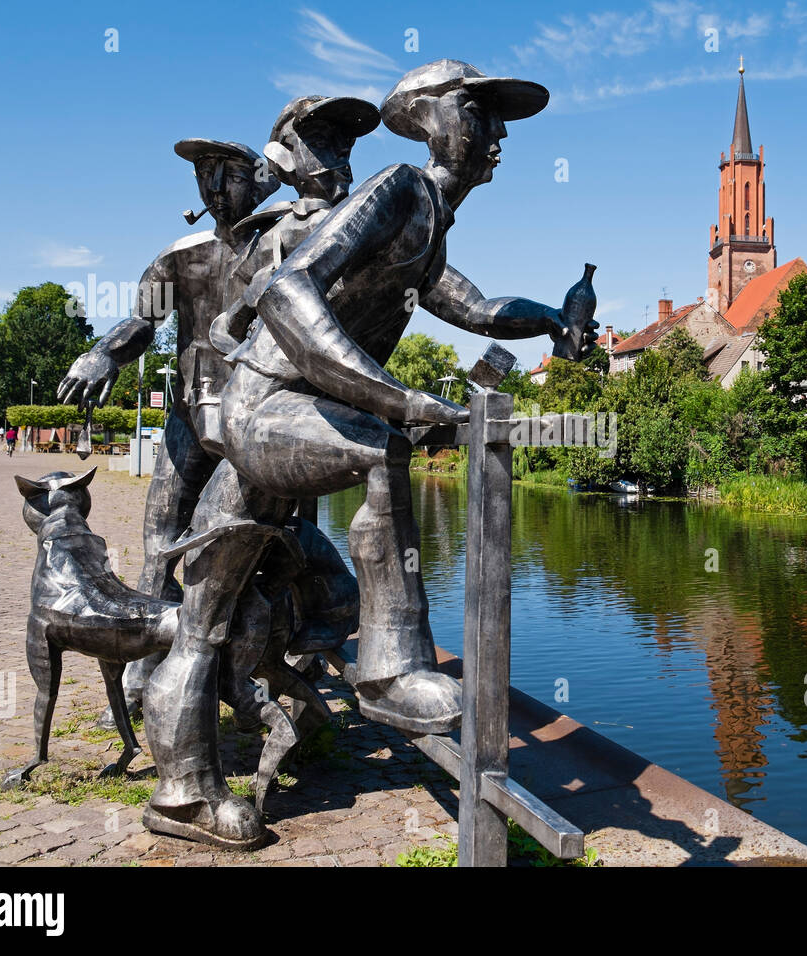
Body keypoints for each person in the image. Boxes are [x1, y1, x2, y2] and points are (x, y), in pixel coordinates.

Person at [141, 60, 597, 849]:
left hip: (291, 423)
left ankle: (182, 795)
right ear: (430, 118)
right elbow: (288, 292)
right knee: (381, 449)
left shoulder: (428, 227)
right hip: (265, 410)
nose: (498, 136)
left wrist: (553, 318)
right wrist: (399, 399)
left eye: (501, 122)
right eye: (480, 114)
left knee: (204, 619)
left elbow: (482, 310)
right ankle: (389, 669)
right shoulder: (396, 190)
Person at [56, 138, 277, 724]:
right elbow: (140, 321)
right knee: (159, 544)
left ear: (260, 180)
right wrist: (103, 352)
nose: (212, 187)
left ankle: (255, 671)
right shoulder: (180, 255)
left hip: (255, 419)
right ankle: (143, 675)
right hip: (187, 416)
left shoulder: (287, 247)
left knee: (264, 545)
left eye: (227, 174)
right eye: (203, 175)